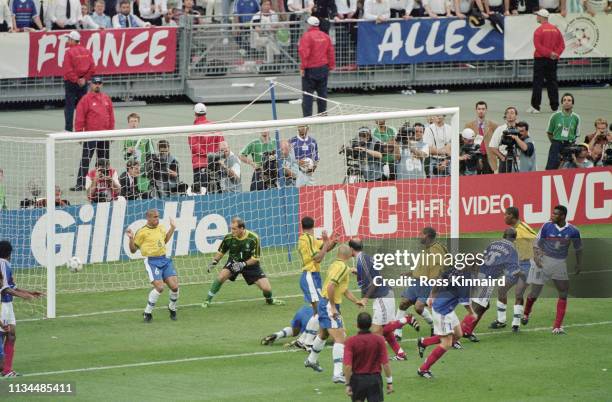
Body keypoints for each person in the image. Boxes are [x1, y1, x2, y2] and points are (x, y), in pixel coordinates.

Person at [349, 238, 419, 361]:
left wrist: (365, 299)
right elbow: (373, 275)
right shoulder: (365, 257)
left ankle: (406, 319)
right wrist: (357, 273)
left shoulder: (361, 260)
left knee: (377, 331)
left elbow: (376, 280)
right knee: (386, 331)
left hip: (382, 297)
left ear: (351, 249)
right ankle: (400, 354)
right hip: (386, 294)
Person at [304, 245, 365, 384]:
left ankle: (311, 360)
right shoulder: (342, 268)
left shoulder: (336, 265)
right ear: (349, 254)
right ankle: (337, 374)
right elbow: (331, 286)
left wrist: (356, 301)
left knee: (324, 334)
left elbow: (343, 289)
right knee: (340, 337)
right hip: (328, 305)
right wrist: (332, 307)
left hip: (326, 303)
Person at [523, 205, 582, 334]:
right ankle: (526, 313)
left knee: (563, 293)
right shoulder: (547, 226)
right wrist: (537, 258)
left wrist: (578, 264)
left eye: (556, 214)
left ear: (563, 216)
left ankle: (557, 326)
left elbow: (578, 248)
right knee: (534, 293)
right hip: (543, 262)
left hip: (559, 264)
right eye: (553, 213)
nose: (552, 215)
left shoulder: (573, 231)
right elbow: (536, 243)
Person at [203, 217, 285, 307]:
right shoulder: (228, 237)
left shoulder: (253, 238)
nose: (232, 231)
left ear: (242, 228)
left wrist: (243, 264)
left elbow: (255, 258)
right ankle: (207, 300)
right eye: (231, 228)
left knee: (267, 289)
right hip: (234, 262)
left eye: (234, 229)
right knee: (221, 277)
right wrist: (215, 261)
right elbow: (221, 252)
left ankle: (269, 300)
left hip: (250, 264)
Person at [459, 229, 519, 343]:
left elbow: (483, 257)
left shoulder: (493, 244)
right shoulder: (512, 250)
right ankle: (458, 333)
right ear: (515, 238)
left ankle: (468, 331)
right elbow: (513, 270)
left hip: (479, 274)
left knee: (484, 306)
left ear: (503, 235)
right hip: (487, 278)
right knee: (477, 307)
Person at [416, 265, 470, 379]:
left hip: (448, 308)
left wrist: (431, 296)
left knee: (458, 334)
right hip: (442, 311)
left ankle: (424, 342)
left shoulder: (455, 271)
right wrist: (472, 313)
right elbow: (465, 301)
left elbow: (439, 279)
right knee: (447, 343)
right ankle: (423, 369)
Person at [0, 240, 45, 377]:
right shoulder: (1, 263)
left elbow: (12, 286)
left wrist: (29, 292)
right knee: (2, 335)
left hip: (8, 305)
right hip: (1, 304)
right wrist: (22, 296)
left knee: (11, 335)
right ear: (9, 253)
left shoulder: (6, 264)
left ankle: (7, 370)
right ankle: (3, 368)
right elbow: (4, 288)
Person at [488, 207, 537, 332]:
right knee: (502, 289)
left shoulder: (523, 228)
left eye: (506, 215)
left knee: (518, 293)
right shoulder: (510, 231)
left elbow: (537, 240)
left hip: (527, 265)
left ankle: (516, 324)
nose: (504, 217)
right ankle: (501, 320)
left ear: (512, 216)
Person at [126, 209, 179, 322]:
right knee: (159, 287)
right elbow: (133, 250)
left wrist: (172, 228)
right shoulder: (142, 232)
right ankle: (147, 312)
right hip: (152, 262)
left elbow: (164, 240)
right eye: (155, 217)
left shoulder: (161, 228)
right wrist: (131, 239)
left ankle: (172, 308)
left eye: (158, 217)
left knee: (174, 287)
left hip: (165, 260)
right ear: (148, 218)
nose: (157, 219)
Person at [395, 227, 443, 340]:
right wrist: (410, 273)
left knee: (418, 307)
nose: (418, 236)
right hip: (416, 282)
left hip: (427, 283)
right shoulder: (425, 249)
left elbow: (440, 268)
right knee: (403, 303)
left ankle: (433, 326)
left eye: (420, 234)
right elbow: (422, 267)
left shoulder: (436, 249)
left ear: (426, 235)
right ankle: (397, 332)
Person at [296, 216, 337, 349]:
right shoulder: (306, 239)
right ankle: (308, 342)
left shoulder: (309, 238)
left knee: (318, 310)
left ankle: (303, 339)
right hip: (309, 275)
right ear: (314, 226)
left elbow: (325, 248)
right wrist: (326, 243)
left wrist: (332, 242)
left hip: (314, 276)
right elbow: (318, 258)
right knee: (320, 309)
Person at [72, 76, 114, 191]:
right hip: (90, 135)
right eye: (95, 83)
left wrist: (111, 132)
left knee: (104, 161)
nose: (97, 85)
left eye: (99, 83)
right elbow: (80, 118)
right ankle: (80, 183)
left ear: (102, 85)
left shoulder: (106, 99)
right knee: (86, 159)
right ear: (91, 84)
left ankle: (104, 182)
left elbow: (111, 117)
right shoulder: (85, 99)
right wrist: (79, 134)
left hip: (104, 135)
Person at [344, 312, 394, 401]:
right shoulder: (379, 340)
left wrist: (347, 384)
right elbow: (385, 363)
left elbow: (348, 366)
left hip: (357, 381)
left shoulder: (350, 342)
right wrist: (389, 382)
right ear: (371, 325)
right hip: (375, 380)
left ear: (357, 325)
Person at [527, 9, 565, 114]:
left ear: (541, 17)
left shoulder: (539, 31)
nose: (536, 17)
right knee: (552, 82)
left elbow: (538, 46)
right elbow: (562, 45)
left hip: (540, 59)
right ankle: (555, 107)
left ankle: (535, 107)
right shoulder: (556, 30)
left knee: (538, 83)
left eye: (538, 16)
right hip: (552, 60)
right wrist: (555, 54)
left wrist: (549, 53)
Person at [298, 16, 335, 117]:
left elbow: (304, 53)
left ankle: (307, 116)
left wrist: (302, 67)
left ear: (309, 25)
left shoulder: (307, 36)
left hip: (310, 69)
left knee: (307, 94)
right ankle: (322, 115)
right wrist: (331, 66)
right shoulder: (325, 36)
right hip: (323, 68)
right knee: (322, 94)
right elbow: (330, 52)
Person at [63, 30, 96, 134]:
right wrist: (84, 79)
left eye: (69, 39)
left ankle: (68, 129)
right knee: (83, 106)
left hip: (71, 82)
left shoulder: (69, 52)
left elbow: (68, 70)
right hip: (83, 82)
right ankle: (83, 128)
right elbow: (92, 68)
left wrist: (76, 80)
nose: (68, 41)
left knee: (69, 106)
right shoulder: (87, 51)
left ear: (73, 40)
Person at [189, 103, 225, 193]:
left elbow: (194, 148)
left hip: (200, 165)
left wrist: (207, 155)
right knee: (218, 194)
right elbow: (223, 145)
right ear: (206, 113)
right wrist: (213, 155)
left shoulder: (193, 129)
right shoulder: (214, 127)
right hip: (215, 164)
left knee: (201, 194)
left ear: (195, 113)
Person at [545, 93, 581, 170]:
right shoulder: (555, 116)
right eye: (564, 100)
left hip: (570, 144)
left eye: (569, 100)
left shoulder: (576, 117)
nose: (566, 102)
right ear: (562, 103)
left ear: (572, 103)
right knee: (552, 167)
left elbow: (577, 134)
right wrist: (555, 143)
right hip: (557, 144)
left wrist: (572, 144)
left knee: (570, 167)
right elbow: (549, 132)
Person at [123, 113, 154, 195]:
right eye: (131, 121)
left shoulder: (146, 137)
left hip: (143, 171)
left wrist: (148, 168)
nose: (133, 123)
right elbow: (124, 156)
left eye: (135, 121)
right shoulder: (125, 137)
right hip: (131, 171)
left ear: (138, 122)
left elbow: (151, 154)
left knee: (144, 193)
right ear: (128, 123)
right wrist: (128, 152)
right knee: (132, 193)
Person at [464, 101, 498, 174]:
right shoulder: (469, 125)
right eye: (479, 109)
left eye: (483, 109)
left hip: (488, 157)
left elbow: (497, 140)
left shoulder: (493, 125)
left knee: (489, 181)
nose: (481, 111)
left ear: (486, 110)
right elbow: (465, 142)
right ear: (476, 110)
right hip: (474, 157)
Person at [488, 106, 519, 173]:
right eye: (507, 113)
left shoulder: (521, 129)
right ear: (505, 116)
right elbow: (492, 146)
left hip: (518, 160)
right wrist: (502, 157)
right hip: (504, 160)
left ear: (516, 116)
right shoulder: (500, 129)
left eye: (512, 113)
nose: (510, 115)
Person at [250, 0, 281, 64]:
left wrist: (270, 29)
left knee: (269, 42)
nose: (267, 6)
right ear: (261, 6)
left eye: (269, 4)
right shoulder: (257, 16)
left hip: (272, 37)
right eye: (265, 5)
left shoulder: (274, 14)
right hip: (259, 38)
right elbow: (257, 29)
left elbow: (276, 27)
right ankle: (277, 55)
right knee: (269, 41)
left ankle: (269, 62)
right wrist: (267, 30)